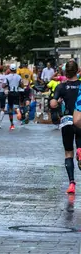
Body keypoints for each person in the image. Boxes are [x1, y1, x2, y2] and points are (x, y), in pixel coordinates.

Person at [52, 61, 81, 194]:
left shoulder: (61, 87)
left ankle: (71, 183)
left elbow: (53, 102)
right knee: (79, 145)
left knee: (68, 152)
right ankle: (80, 150)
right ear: (77, 70)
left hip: (67, 121)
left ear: (65, 73)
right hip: (79, 120)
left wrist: (54, 103)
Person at [5, 64, 23, 131]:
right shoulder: (19, 77)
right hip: (16, 93)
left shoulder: (7, 77)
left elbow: (3, 85)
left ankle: (12, 124)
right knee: (16, 107)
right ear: (15, 69)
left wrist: (6, 85)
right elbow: (22, 85)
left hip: (10, 93)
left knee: (10, 108)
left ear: (10, 69)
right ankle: (18, 112)